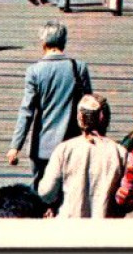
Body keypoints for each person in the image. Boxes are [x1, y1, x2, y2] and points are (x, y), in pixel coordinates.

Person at [8, 22, 94, 187]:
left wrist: (15, 146)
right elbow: (88, 105)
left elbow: (27, 111)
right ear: (63, 42)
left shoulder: (35, 71)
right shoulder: (79, 68)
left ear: (43, 43)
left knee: (41, 189)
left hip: (42, 147)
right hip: (72, 144)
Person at [37, 94, 127, 218]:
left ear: (80, 118)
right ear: (105, 118)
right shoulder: (120, 152)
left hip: (70, 226)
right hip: (107, 228)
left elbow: (46, 193)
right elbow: (127, 196)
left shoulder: (64, 149)